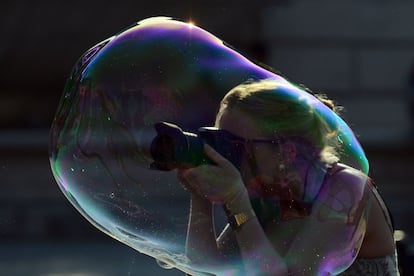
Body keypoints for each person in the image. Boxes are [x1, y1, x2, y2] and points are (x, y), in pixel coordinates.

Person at [178, 79, 399, 275]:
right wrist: (201, 199)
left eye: (236, 146)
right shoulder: (266, 193)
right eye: (220, 142)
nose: (225, 155)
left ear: (287, 151)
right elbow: (207, 271)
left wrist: (237, 203)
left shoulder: (346, 188)